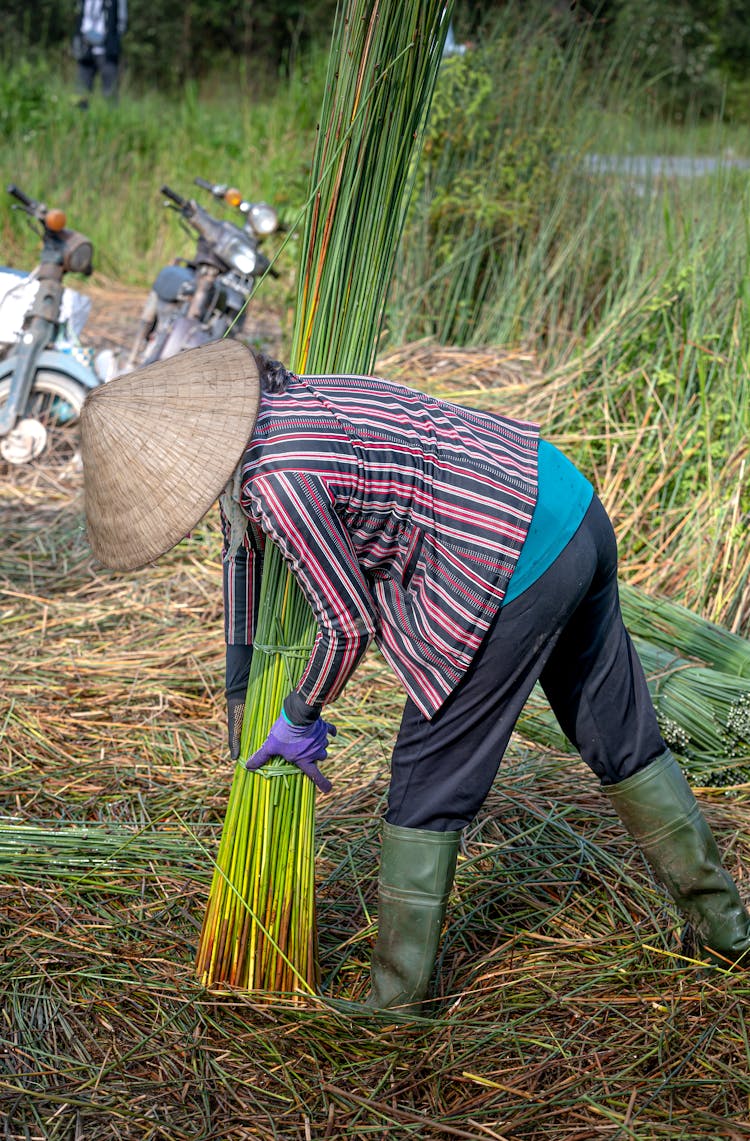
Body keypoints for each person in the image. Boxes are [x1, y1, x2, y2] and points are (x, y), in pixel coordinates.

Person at [80, 339, 750, 1014]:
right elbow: (242, 556)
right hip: (567, 502)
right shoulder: (292, 399)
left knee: (426, 778)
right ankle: (724, 929)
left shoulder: (278, 478)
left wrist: (298, 714)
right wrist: (236, 687)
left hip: (505, 558)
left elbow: (348, 624)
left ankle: (395, 999)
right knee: (618, 733)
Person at [73, 0, 127, 103]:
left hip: (107, 51)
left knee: (110, 94)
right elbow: (79, 15)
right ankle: (78, 117)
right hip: (85, 49)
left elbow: (122, 22)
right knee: (80, 92)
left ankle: (111, 118)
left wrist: (112, 40)